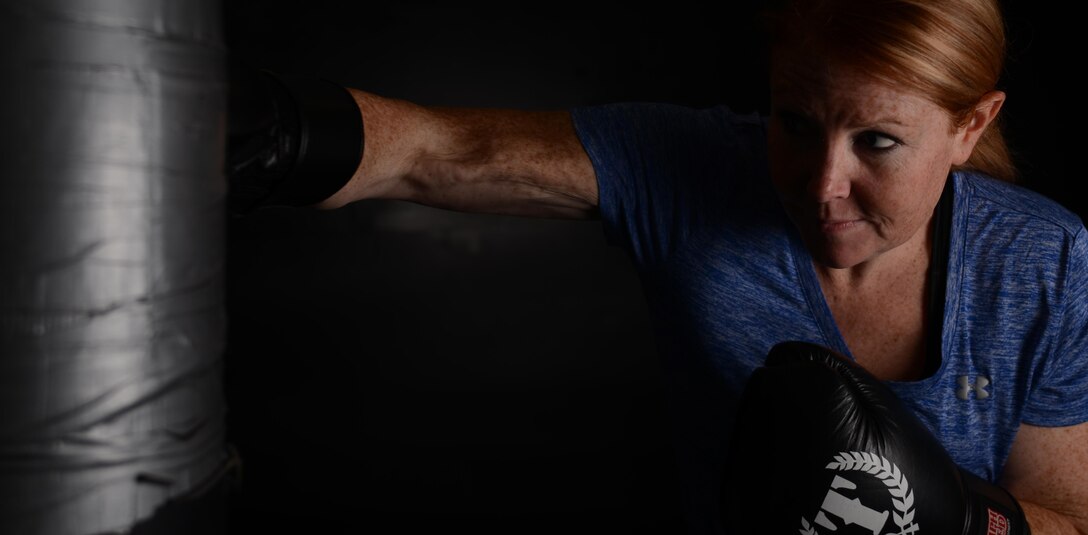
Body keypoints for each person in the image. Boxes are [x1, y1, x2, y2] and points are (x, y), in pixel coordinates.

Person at [227, 0, 1088, 533]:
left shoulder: (1040, 262)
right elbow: (436, 151)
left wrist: (966, 524)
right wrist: (248, 127)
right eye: (794, 122)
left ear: (971, 124)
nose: (823, 183)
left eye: (879, 141)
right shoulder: (695, 172)